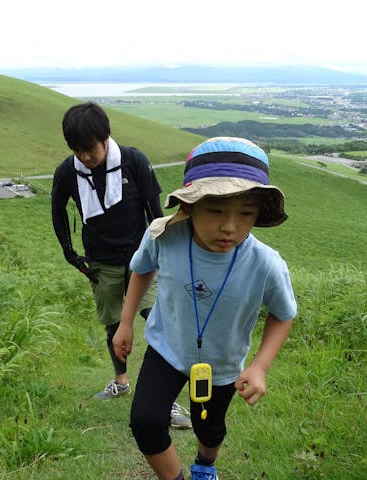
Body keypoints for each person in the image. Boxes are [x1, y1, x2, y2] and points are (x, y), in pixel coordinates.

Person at [112, 137, 297, 480]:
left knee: (208, 429)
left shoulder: (266, 264)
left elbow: (283, 314)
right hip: (167, 346)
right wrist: (125, 323)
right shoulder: (162, 236)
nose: (230, 226)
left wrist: (259, 366)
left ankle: (205, 465)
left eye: (246, 214)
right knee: (146, 422)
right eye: (215, 211)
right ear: (189, 206)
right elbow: (141, 269)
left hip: (221, 364)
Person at [51, 101, 191, 429]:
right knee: (114, 325)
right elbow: (57, 209)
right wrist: (69, 253)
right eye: (77, 150)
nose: (85, 156)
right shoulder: (67, 172)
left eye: (90, 148)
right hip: (100, 261)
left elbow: (155, 212)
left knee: (156, 322)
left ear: (106, 137)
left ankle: (165, 398)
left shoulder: (133, 161)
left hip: (142, 259)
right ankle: (122, 381)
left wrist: (164, 252)